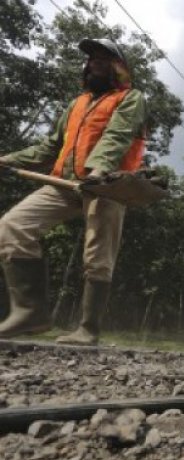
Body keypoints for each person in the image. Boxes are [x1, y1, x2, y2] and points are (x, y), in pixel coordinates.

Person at [0, 38, 147, 345]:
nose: (94, 63)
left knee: (97, 256)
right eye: (91, 59)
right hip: (63, 184)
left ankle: (88, 330)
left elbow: (116, 138)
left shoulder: (130, 98)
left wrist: (97, 172)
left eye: (103, 59)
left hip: (105, 186)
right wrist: (7, 159)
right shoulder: (76, 105)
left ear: (118, 68)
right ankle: (30, 312)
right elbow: (49, 147)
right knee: (12, 226)